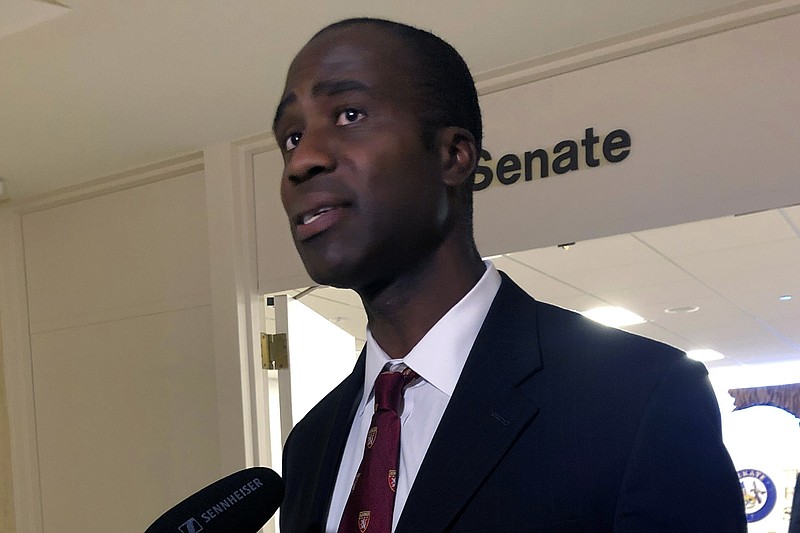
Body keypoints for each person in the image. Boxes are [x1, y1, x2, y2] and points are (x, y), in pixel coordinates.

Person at [272, 17, 746, 533]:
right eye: (291, 136)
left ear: (454, 155)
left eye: (349, 114)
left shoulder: (641, 398)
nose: (302, 160)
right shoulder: (311, 444)